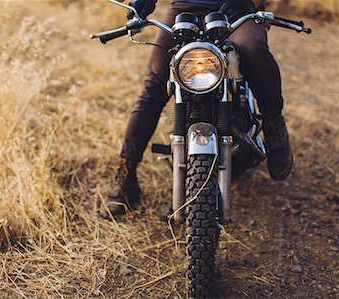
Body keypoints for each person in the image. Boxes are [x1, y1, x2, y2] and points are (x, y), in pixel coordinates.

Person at [100, 0, 293, 217]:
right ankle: (126, 176)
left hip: (236, 8)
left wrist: (248, 3)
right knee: (155, 83)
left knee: (253, 51)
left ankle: (273, 123)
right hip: (185, 9)